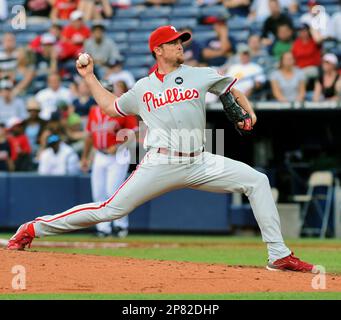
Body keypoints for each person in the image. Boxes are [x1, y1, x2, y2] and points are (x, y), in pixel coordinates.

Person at [7, 25, 316, 273]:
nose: (180, 45)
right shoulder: (142, 88)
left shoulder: (199, 73)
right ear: (158, 49)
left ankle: (278, 255)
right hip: (160, 162)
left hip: (200, 161)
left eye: (180, 40)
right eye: (173, 42)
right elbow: (110, 107)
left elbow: (232, 88)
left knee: (257, 181)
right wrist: (89, 78)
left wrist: (251, 115)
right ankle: (33, 228)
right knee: (111, 209)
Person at [81, 81, 138, 238]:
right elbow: (89, 136)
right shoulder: (93, 111)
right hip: (99, 154)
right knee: (98, 193)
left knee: (113, 191)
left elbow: (133, 133)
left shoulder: (121, 109)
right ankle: (103, 228)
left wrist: (119, 145)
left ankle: (120, 226)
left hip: (118, 155)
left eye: (108, 90)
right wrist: (85, 157)